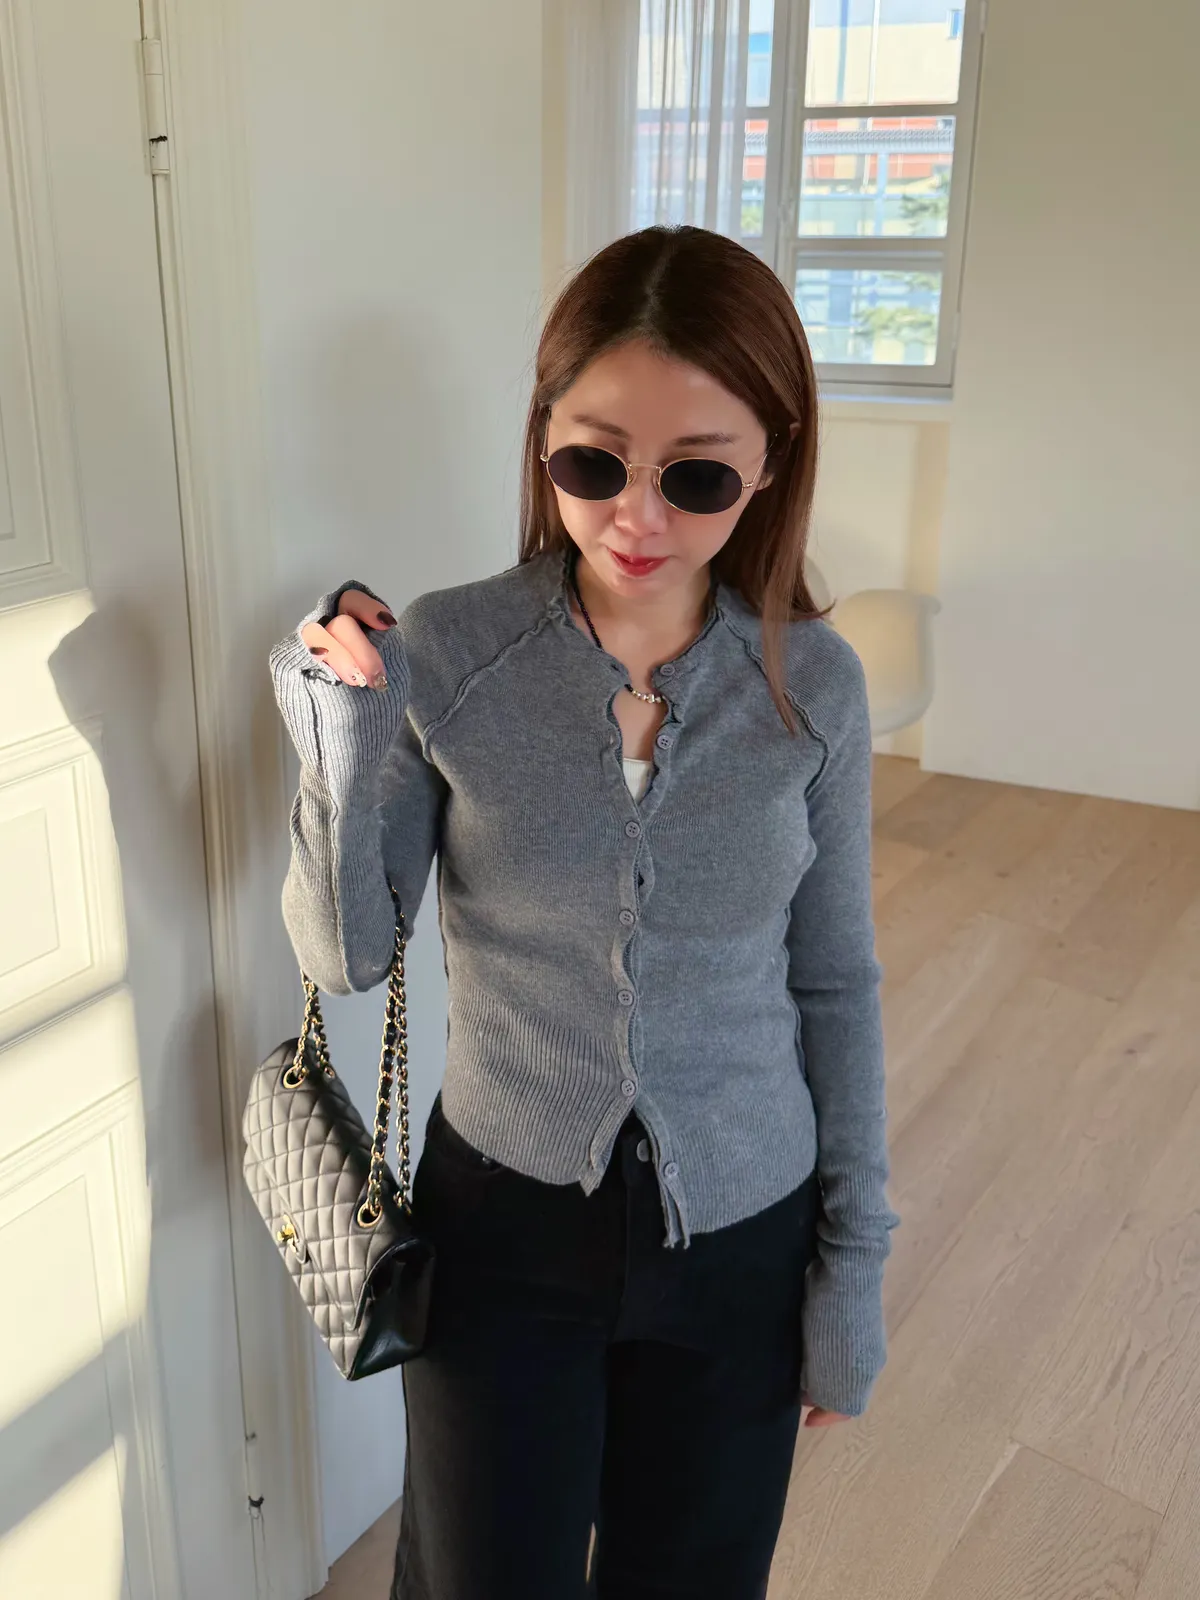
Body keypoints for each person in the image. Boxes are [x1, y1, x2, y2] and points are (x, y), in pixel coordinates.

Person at [269, 225, 900, 1600]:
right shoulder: (453, 651)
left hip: (745, 1230)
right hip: (500, 1231)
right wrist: (337, 735)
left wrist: (851, 1273)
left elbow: (835, 986)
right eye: (594, 464)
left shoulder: (816, 690)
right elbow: (347, 953)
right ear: (543, 436)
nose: (638, 520)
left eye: (698, 475)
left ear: (772, 463)